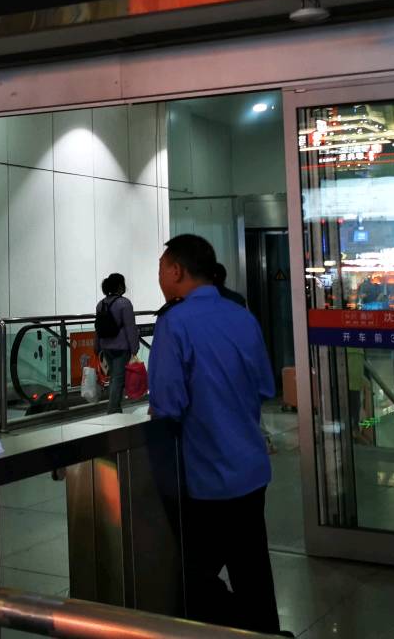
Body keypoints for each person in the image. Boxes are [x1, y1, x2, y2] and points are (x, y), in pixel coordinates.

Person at [148, 234, 283, 635]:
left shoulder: (174, 323)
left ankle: (233, 626)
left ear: (176, 271)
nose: (160, 278)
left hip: (207, 477)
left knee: (191, 580)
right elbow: (265, 385)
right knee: (253, 571)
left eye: (161, 270)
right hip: (251, 472)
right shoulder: (242, 316)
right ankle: (262, 629)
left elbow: (167, 405)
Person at [93, 273, 139, 414]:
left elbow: (98, 328)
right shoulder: (124, 303)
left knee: (114, 377)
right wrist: (134, 347)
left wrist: (96, 345)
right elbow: (130, 327)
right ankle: (113, 410)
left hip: (106, 346)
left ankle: (115, 408)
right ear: (120, 286)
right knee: (118, 379)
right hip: (121, 347)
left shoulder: (101, 304)